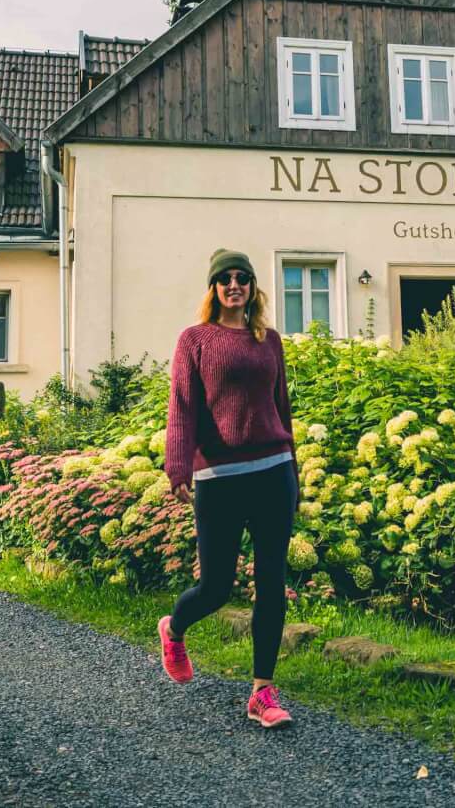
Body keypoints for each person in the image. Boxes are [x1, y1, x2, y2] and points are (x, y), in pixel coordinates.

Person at [157, 248, 298, 729]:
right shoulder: (194, 340)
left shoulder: (270, 341)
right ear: (213, 288)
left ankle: (262, 691)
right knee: (216, 587)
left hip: (273, 472)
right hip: (220, 478)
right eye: (225, 279)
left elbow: (282, 406)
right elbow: (182, 406)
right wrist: (178, 467)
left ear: (253, 286)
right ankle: (175, 628)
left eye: (243, 278)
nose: (234, 285)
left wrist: (293, 465)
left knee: (271, 582)